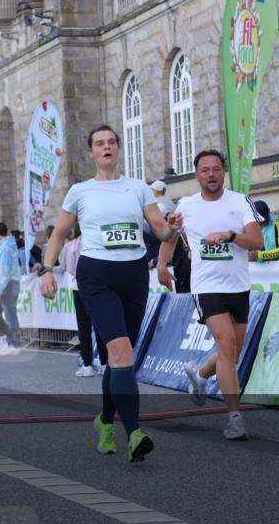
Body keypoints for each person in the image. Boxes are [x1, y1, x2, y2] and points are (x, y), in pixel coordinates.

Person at [42, 125, 182, 461]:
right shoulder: (80, 190)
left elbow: (159, 230)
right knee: (120, 353)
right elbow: (59, 234)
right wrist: (47, 270)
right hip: (97, 275)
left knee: (119, 359)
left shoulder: (138, 188)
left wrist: (172, 229)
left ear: (119, 149)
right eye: (99, 144)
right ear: (91, 152)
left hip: (133, 273)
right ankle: (134, 433)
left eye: (111, 143)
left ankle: (105, 420)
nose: (106, 148)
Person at [158, 151, 263, 439]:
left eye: (216, 169)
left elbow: (258, 241)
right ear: (197, 175)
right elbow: (170, 234)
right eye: (205, 170)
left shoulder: (240, 201)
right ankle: (234, 417)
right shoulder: (187, 205)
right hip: (206, 287)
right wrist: (161, 265)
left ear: (223, 173)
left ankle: (201, 374)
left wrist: (229, 236)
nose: (211, 175)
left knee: (232, 352)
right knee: (227, 346)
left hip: (238, 286)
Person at [59, 223, 100, 378]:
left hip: (78, 286)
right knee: (100, 324)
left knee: (83, 326)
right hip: (97, 285)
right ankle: (104, 363)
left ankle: (88, 364)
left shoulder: (70, 246)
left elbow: (66, 268)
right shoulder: (96, 240)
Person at [0, 221, 23, 355]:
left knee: (10, 315)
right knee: (10, 314)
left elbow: (4, 270)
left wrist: (0, 289)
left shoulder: (5, 248)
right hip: (12, 282)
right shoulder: (10, 245)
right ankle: (11, 342)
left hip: (8, 284)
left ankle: (14, 344)